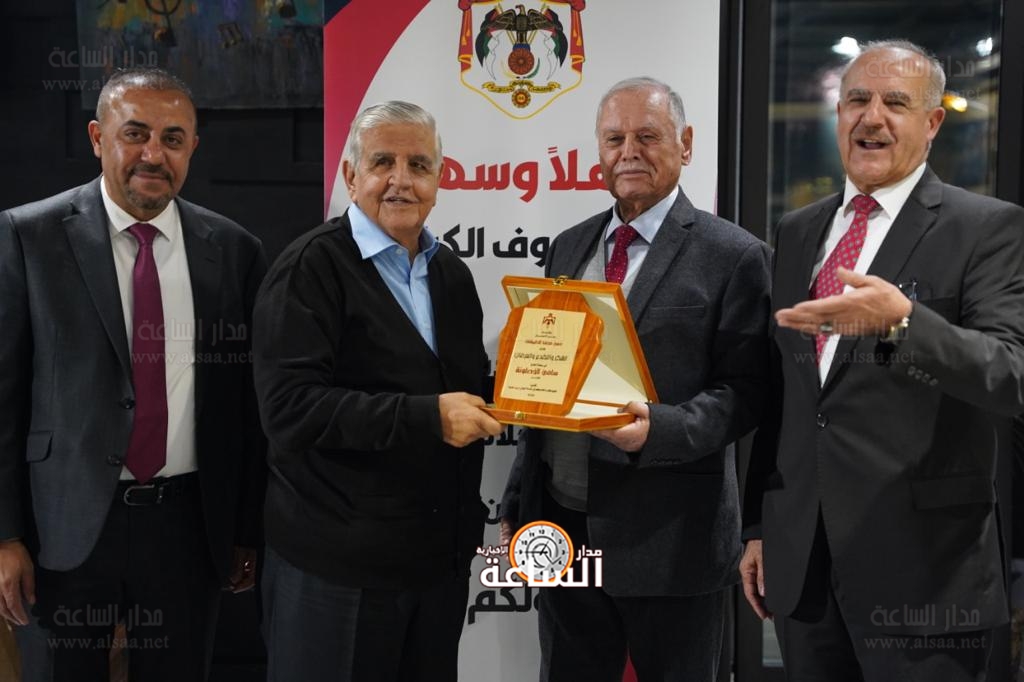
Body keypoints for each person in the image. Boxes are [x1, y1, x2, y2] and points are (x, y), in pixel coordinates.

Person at [740, 39, 1024, 681]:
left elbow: (1009, 373)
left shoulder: (986, 228)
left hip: (927, 578)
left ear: (933, 121)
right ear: (839, 113)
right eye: (858, 100)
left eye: (896, 102)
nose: (872, 117)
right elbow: (786, 395)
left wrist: (904, 324)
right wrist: (758, 524)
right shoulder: (798, 231)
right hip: (804, 570)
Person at [500, 76, 772, 681]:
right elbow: (543, 383)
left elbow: (747, 392)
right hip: (562, 527)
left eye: (647, 136)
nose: (629, 152)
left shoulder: (734, 255)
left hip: (672, 537)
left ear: (686, 143)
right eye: (614, 138)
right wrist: (521, 497)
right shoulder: (568, 247)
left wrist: (660, 430)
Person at [0, 68, 267, 681]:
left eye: (172, 139)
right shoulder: (29, 236)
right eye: (135, 134)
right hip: (61, 528)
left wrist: (245, 527)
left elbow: (246, 409)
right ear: (98, 137)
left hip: (187, 526)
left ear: (192, 147)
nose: (153, 154)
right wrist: (5, 535)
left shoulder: (234, 250)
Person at [253, 100, 502, 682]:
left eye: (419, 165)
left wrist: (544, 386)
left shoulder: (451, 274)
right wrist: (427, 418)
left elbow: (458, 390)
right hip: (338, 572)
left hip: (436, 567)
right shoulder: (310, 268)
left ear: (439, 180)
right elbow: (288, 410)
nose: (401, 180)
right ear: (350, 175)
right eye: (382, 162)